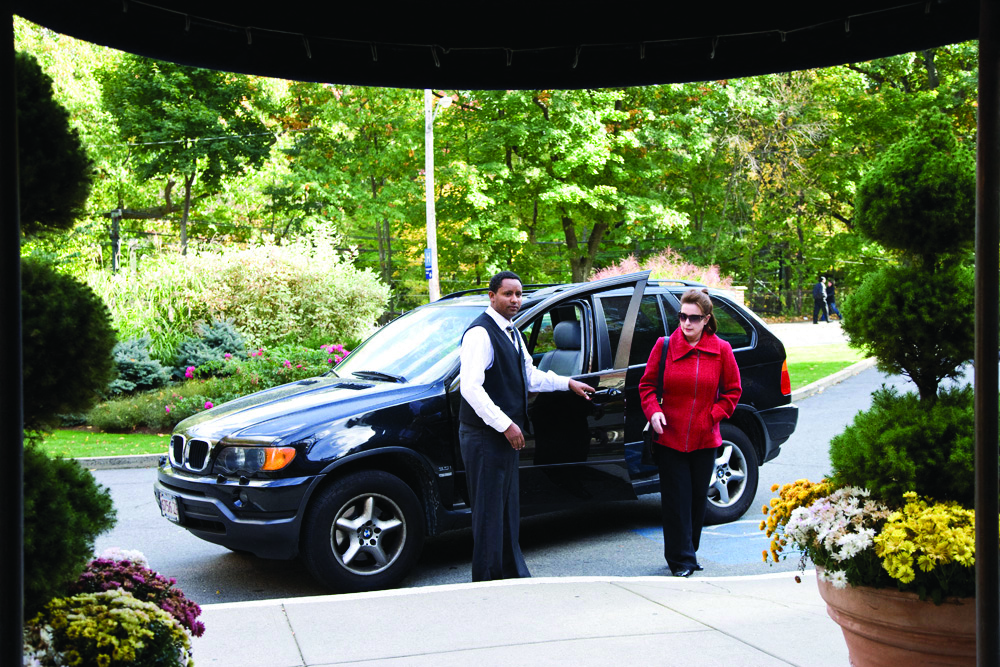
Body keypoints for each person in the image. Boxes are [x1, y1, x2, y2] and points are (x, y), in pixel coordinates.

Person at [458, 270, 595, 582]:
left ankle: (510, 573)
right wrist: (505, 424)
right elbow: (470, 387)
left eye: (518, 294)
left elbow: (530, 376)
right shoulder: (480, 334)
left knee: (507, 509)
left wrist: (568, 383)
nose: (515, 300)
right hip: (484, 436)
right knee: (489, 512)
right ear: (492, 296)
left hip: (503, 437)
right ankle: (487, 581)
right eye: (508, 294)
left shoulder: (512, 332)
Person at [639, 288, 742, 578]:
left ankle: (689, 552)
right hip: (670, 437)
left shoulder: (721, 350)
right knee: (677, 501)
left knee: (697, 501)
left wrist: (712, 416)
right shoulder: (664, 346)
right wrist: (654, 412)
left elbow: (733, 392)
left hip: (704, 439)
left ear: (706, 319)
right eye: (682, 316)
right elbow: (646, 386)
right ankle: (680, 559)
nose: (686, 323)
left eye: (693, 318)